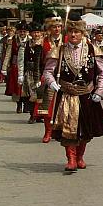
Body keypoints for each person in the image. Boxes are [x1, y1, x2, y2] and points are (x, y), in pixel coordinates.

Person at [43, 14, 103, 172]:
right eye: (70, 32)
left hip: (87, 95)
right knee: (68, 130)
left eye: (77, 32)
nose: (73, 35)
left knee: (85, 128)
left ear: (82, 33)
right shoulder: (59, 50)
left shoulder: (93, 50)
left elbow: (102, 74)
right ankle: (71, 159)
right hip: (66, 95)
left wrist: (99, 91)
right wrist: (52, 83)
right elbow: (47, 72)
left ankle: (80, 156)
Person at [40, 15, 64, 143]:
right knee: (47, 106)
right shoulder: (43, 42)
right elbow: (39, 60)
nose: (57, 29)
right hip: (48, 77)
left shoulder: (66, 40)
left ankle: (61, 131)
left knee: (63, 106)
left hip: (63, 77)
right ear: (50, 28)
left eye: (59, 26)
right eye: (54, 27)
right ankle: (48, 131)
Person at [18, 23, 45, 124]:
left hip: (42, 72)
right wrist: (20, 74)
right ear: (30, 34)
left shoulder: (44, 43)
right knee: (31, 94)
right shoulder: (26, 44)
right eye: (34, 32)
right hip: (30, 72)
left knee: (42, 95)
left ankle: (40, 115)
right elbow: (21, 60)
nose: (36, 34)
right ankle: (32, 115)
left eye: (38, 32)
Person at [3, 22, 28, 113]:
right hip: (15, 66)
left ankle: (26, 105)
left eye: (24, 31)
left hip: (27, 66)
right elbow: (8, 54)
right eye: (21, 31)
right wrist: (4, 67)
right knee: (17, 87)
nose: (22, 33)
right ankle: (19, 104)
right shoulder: (13, 41)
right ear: (17, 32)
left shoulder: (30, 40)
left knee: (26, 86)